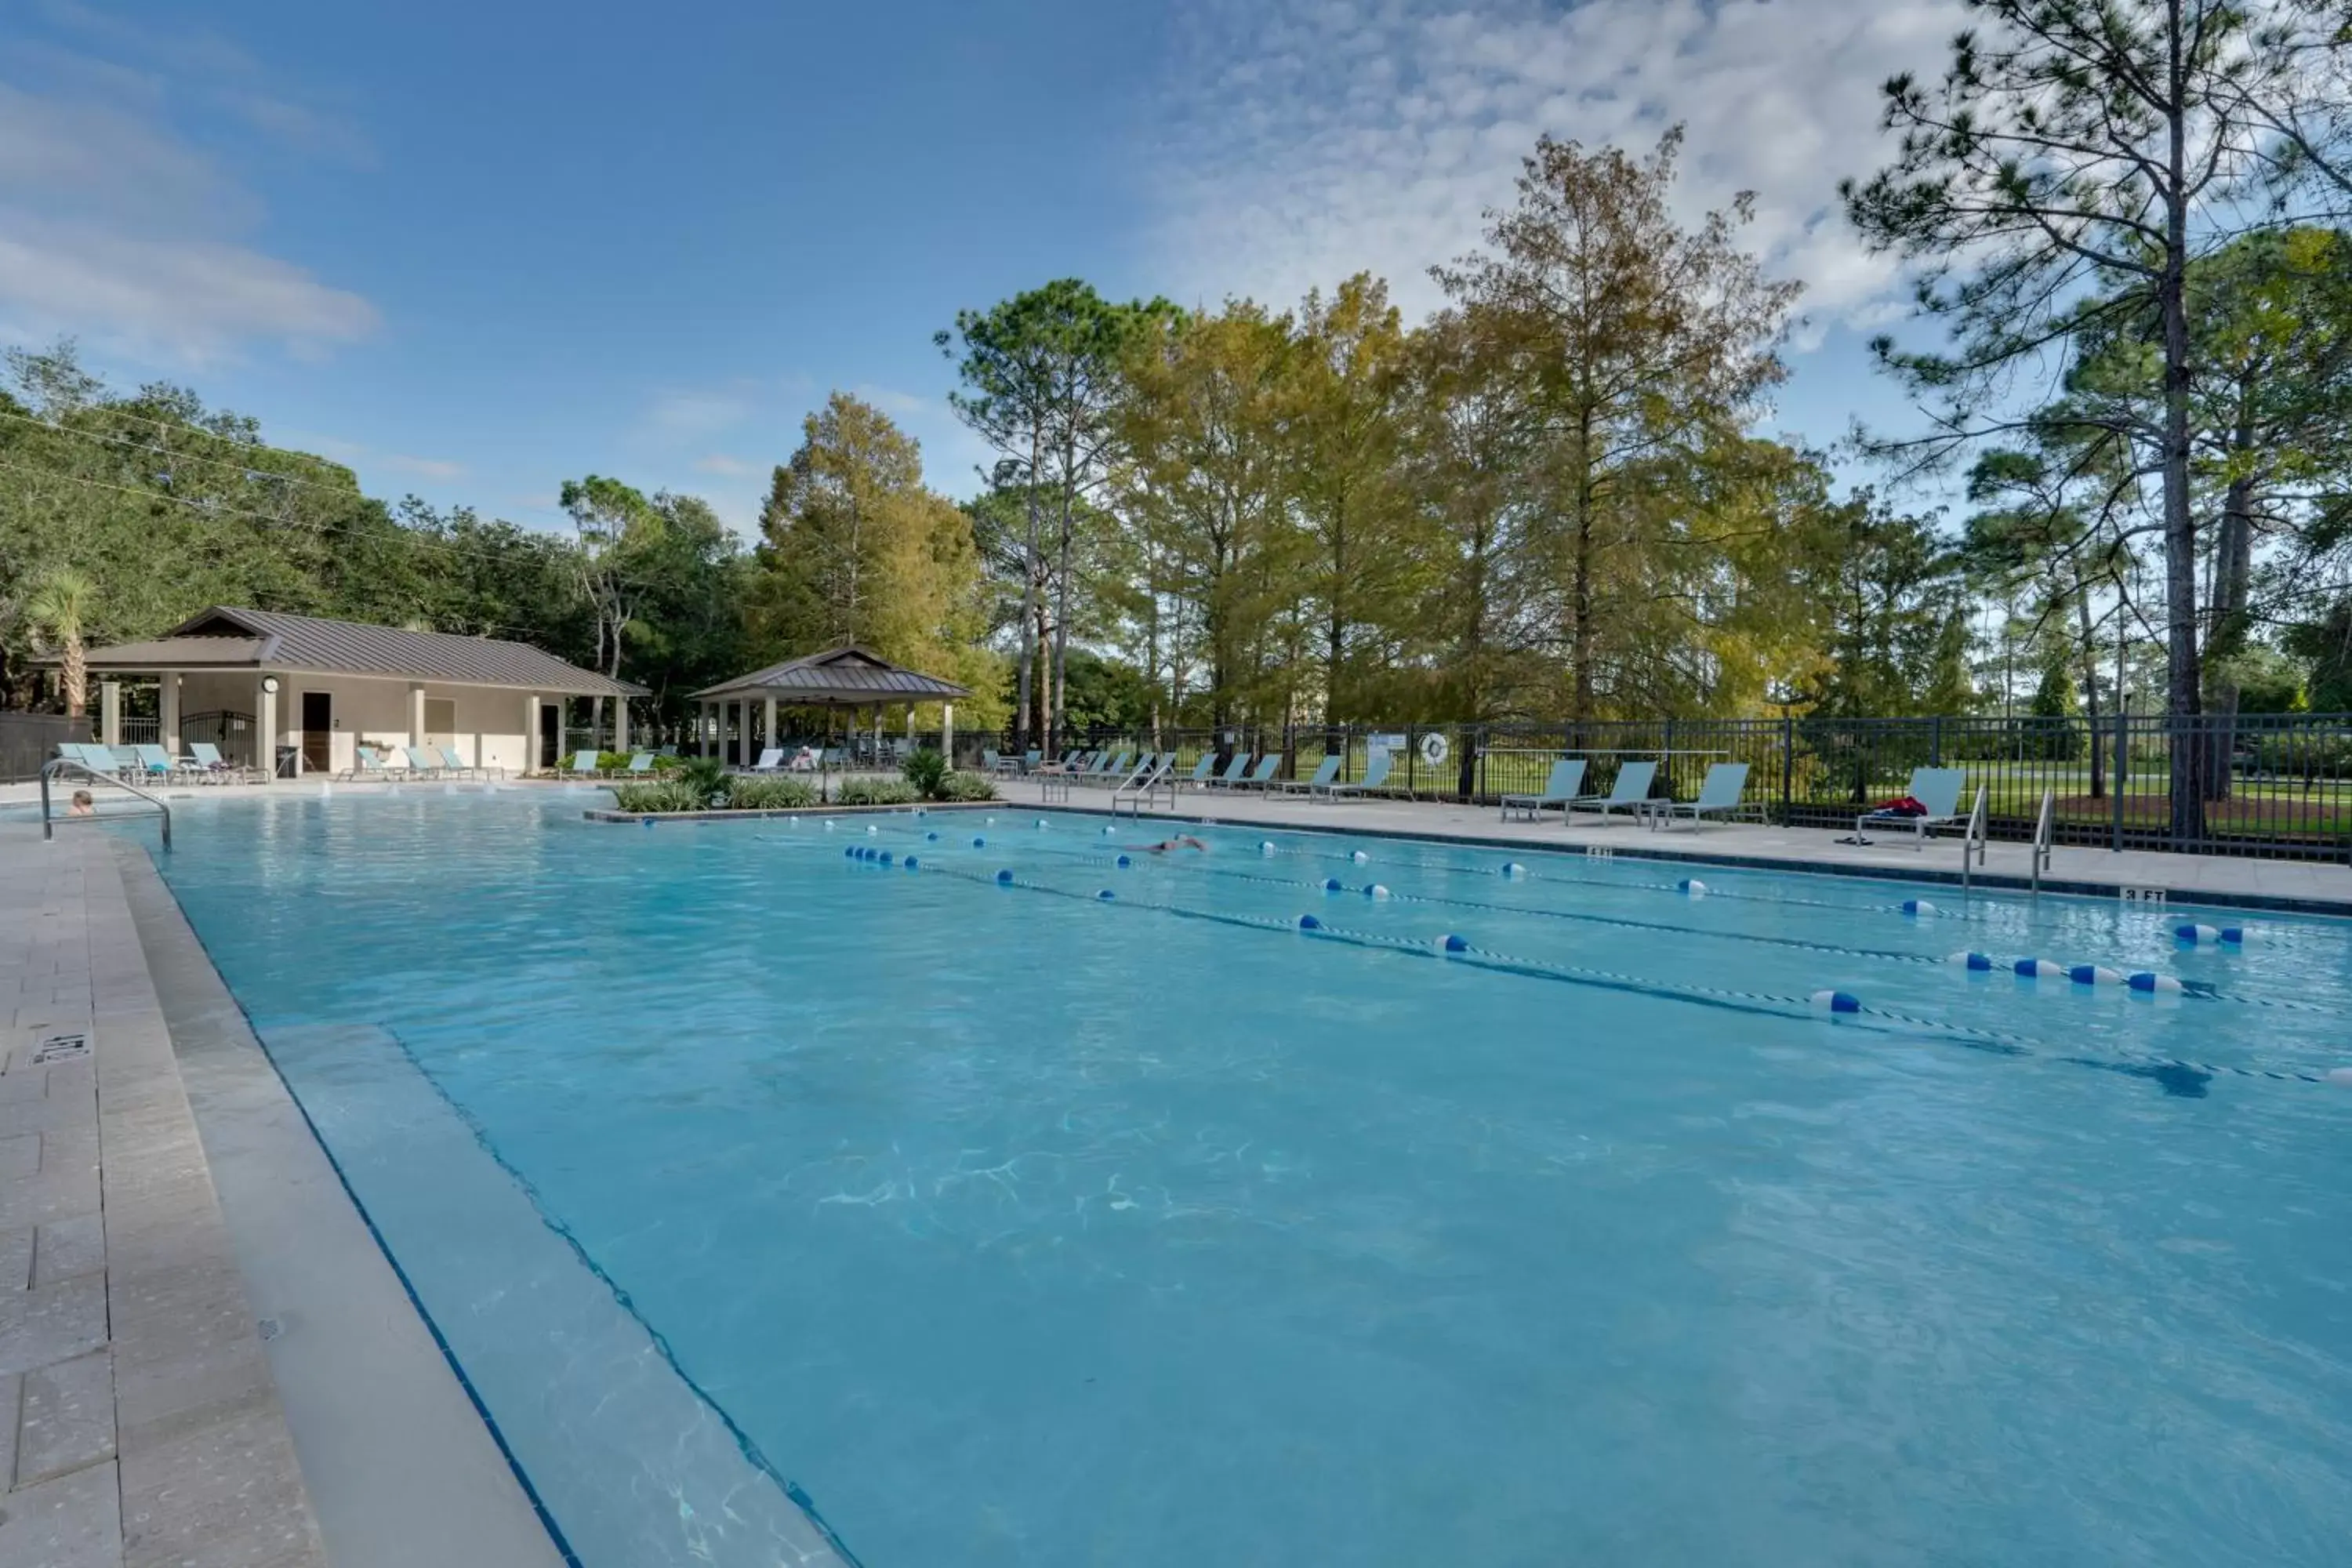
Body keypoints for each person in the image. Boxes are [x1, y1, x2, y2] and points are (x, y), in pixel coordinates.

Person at [1124, 834, 1207, 854]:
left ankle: (1129, 847)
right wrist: (1201, 847)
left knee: (1146, 848)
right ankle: (1129, 848)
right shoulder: (1189, 841)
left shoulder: (1187, 842)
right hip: (1168, 845)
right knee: (1147, 849)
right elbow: (1193, 839)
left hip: (1168, 845)